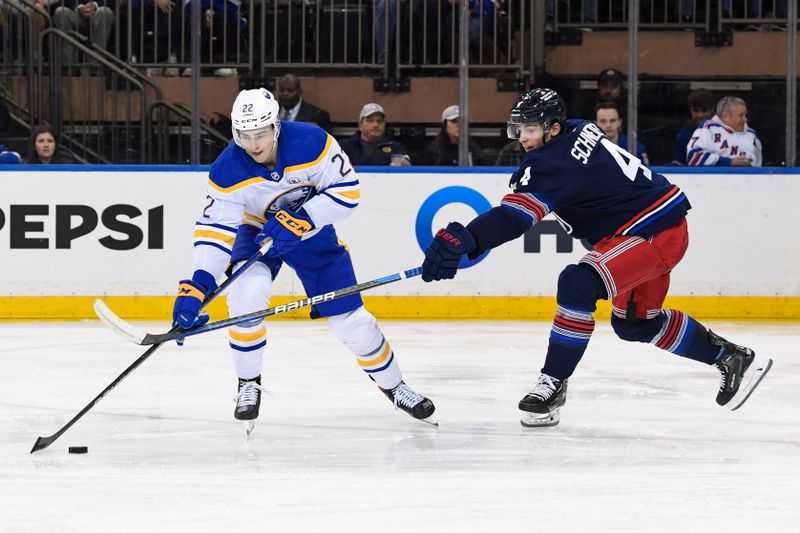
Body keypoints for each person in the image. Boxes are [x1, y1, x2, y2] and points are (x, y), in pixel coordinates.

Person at [420, 88, 772, 428]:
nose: (523, 138)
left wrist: (467, 238)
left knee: (577, 283)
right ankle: (729, 357)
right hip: (654, 225)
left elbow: (515, 218)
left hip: (650, 232)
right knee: (634, 323)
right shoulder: (576, 128)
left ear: (552, 129)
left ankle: (552, 383)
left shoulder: (553, 162)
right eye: (520, 129)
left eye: (530, 129)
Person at [171, 88, 435, 431]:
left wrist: (303, 218)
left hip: (311, 233)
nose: (253, 145)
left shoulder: (312, 142)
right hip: (255, 234)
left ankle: (395, 386)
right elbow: (215, 230)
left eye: (261, 134)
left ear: (276, 126)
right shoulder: (226, 170)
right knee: (247, 296)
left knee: (352, 323)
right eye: (245, 136)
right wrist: (199, 283)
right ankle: (248, 383)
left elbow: (348, 191)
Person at [686, 96, 762, 167]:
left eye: (745, 115)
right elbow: (693, 157)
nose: (745, 119)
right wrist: (729, 162)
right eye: (741, 115)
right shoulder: (708, 129)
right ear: (726, 116)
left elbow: (760, 168)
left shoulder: (752, 135)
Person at [339, 103, 410, 166]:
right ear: (360, 125)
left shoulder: (396, 147)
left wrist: (405, 164)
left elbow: (406, 169)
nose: (375, 125)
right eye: (370, 120)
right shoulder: (345, 146)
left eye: (379, 121)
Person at [53, 0, 114, 66]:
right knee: (60, 12)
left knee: (105, 11)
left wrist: (95, 5)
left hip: (98, 11)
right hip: (75, 12)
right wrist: (79, 7)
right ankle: (68, 68)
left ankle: (96, 66)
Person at [594, 101, 649, 166]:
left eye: (612, 121)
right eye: (603, 121)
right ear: (595, 124)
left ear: (619, 122)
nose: (608, 125)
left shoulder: (636, 148)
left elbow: (645, 173)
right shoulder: (588, 148)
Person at [672, 88, 714, 165]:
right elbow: (679, 162)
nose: (700, 115)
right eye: (696, 110)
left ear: (712, 109)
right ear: (690, 110)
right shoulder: (684, 135)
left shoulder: (722, 130)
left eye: (704, 110)